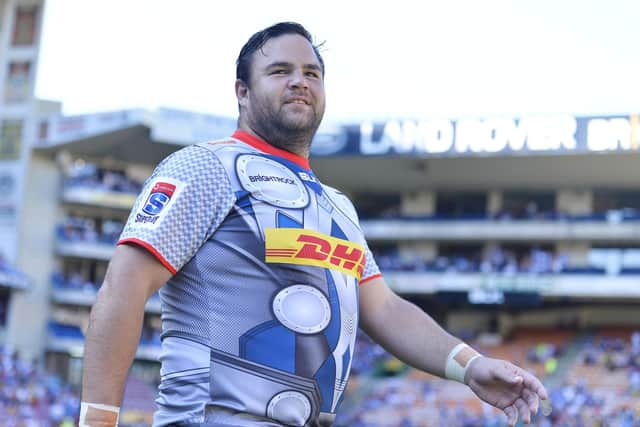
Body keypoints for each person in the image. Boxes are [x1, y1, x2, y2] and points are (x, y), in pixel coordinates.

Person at [80, 22, 548, 427]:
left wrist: (469, 365)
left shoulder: (338, 207)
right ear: (241, 91)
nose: (299, 82)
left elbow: (384, 309)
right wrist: (99, 419)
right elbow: (124, 286)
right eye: (280, 71)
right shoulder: (204, 168)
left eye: (312, 73)